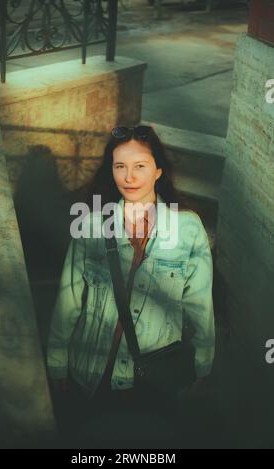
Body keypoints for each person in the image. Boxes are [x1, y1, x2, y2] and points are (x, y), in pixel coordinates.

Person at [47, 125, 215, 448]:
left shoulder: (187, 229)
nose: (129, 176)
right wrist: (56, 360)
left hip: (153, 381)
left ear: (158, 171)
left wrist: (202, 362)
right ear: (111, 171)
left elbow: (199, 303)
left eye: (140, 166)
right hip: (92, 373)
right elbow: (69, 299)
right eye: (119, 166)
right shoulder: (91, 225)